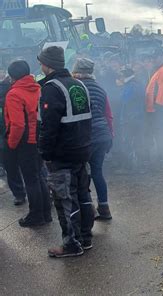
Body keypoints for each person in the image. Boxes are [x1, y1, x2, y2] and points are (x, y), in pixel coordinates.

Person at [37, 46, 94, 257]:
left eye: (42, 62)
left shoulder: (52, 88)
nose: (40, 66)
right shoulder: (79, 84)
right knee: (83, 195)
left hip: (63, 154)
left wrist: (45, 153)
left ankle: (71, 244)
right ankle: (86, 238)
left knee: (64, 200)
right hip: (82, 150)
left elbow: (48, 126)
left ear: (47, 64)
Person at [3, 60, 51, 227]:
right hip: (39, 137)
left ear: (12, 75)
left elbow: (17, 124)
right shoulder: (38, 87)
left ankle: (36, 215)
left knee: (30, 179)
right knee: (39, 176)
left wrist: (11, 144)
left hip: (25, 141)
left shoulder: (14, 93)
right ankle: (46, 212)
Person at [72, 58, 114, 220]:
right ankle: (104, 208)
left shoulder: (76, 88)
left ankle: (87, 211)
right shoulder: (100, 89)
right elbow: (108, 116)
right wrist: (110, 136)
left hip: (87, 138)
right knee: (97, 172)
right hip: (103, 135)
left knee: (83, 174)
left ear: (77, 73)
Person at [118, 67, 146, 170]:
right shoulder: (139, 84)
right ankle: (141, 167)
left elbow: (124, 100)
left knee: (127, 142)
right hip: (139, 118)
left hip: (129, 119)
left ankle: (128, 167)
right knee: (139, 142)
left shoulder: (130, 86)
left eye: (121, 75)